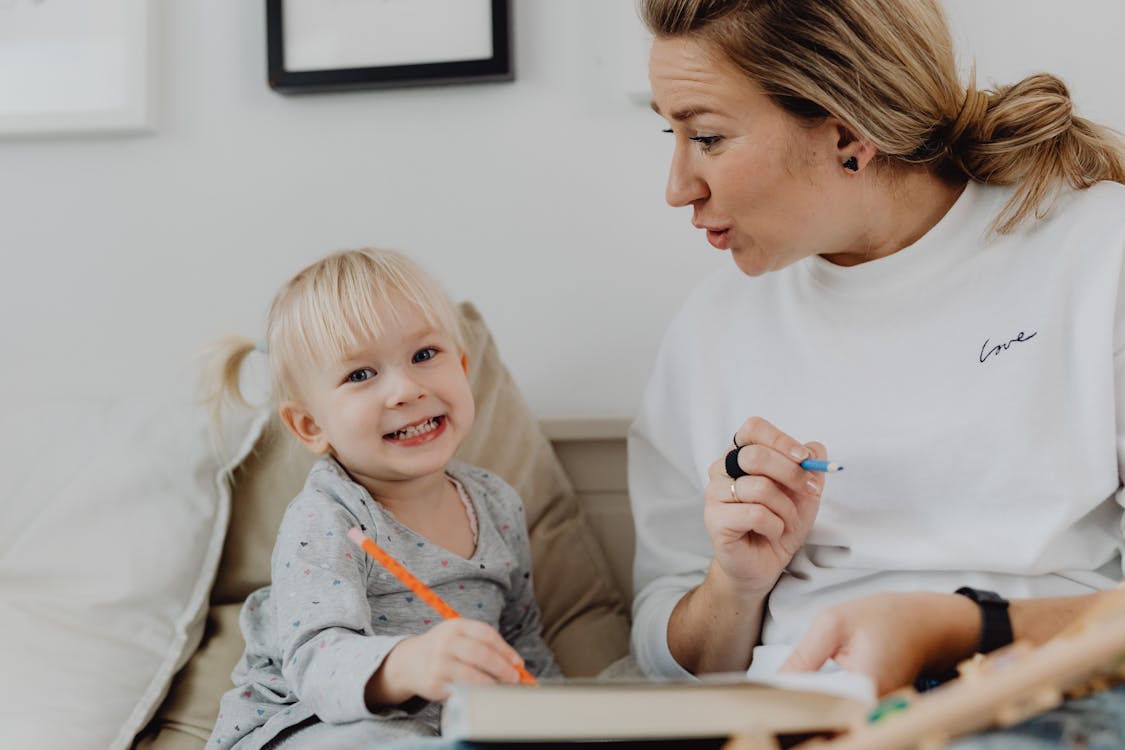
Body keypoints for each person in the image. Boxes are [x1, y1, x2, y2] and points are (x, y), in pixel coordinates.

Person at [629, 0, 1125, 744]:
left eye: (706, 137)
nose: (677, 186)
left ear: (846, 132)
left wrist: (958, 627)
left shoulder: (1096, 258)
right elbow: (668, 658)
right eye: (672, 135)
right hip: (788, 724)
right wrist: (734, 586)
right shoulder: (713, 326)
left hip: (1040, 702)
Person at [202, 248, 558, 750]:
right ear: (310, 426)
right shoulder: (327, 516)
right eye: (361, 375)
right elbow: (316, 660)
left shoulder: (498, 505)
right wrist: (407, 663)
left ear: (462, 365)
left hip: (448, 731)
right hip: (309, 726)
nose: (406, 390)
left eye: (424, 355)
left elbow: (521, 641)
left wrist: (557, 715)